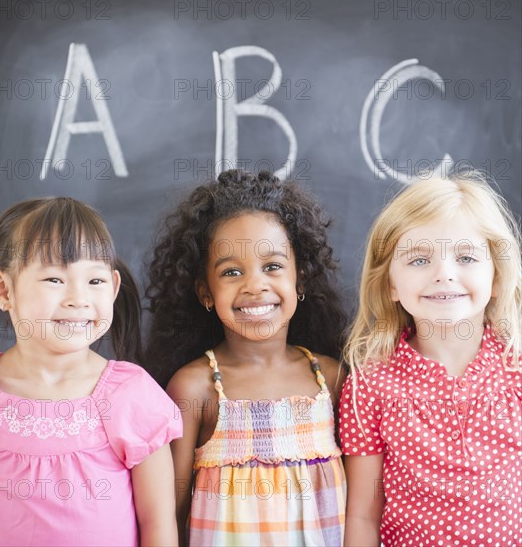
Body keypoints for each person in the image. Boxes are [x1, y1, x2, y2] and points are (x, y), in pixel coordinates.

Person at [144, 169, 348, 546]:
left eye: (272, 266)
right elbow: (169, 512)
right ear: (205, 292)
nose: (254, 285)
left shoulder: (331, 378)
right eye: (231, 272)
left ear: (300, 279)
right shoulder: (196, 388)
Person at [0, 197, 182, 546]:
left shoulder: (130, 394)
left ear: (113, 288)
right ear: (2, 289)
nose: (78, 298)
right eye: (54, 278)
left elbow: (159, 526)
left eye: (94, 281)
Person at [339, 173, 521, 547]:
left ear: (497, 277)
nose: (443, 274)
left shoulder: (515, 369)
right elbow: (361, 516)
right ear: (389, 283)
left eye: (466, 257)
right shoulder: (370, 385)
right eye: (419, 259)